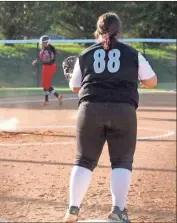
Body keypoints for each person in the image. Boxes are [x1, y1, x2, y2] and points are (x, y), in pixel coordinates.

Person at [63, 12, 158, 223]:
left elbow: (75, 87)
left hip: (90, 109)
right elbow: (152, 82)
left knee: (84, 160)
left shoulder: (86, 54)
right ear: (119, 31)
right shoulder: (132, 53)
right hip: (123, 110)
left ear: (97, 32)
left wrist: (74, 77)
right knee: (122, 161)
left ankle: (73, 209)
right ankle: (118, 210)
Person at [32, 35, 63, 106]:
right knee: (46, 84)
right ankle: (47, 100)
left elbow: (46, 60)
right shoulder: (50, 48)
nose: (43, 44)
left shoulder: (46, 49)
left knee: (45, 84)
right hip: (51, 67)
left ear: (47, 43)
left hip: (48, 68)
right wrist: (37, 60)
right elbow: (48, 58)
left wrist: (38, 62)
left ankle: (57, 96)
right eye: (43, 42)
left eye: (44, 42)